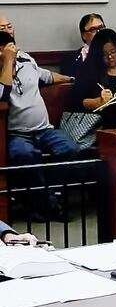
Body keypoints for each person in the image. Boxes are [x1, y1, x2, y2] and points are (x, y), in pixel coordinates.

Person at [0, 29, 80, 219]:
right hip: (17, 134)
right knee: (23, 155)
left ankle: (46, 198)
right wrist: (8, 62)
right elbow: (2, 94)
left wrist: (73, 80)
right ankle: (49, 205)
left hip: (45, 130)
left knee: (70, 148)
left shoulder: (27, 61)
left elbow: (46, 76)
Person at [69, 29, 116, 130]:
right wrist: (100, 101)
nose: (110, 57)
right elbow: (79, 102)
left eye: (113, 52)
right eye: (104, 54)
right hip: (98, 126)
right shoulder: (88, 71)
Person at [60, 13, 105, 78]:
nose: (99, 32)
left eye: (101, 28)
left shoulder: (115, 55)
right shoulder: (70, 60)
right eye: (93, 30)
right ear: (84, 35)